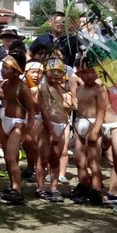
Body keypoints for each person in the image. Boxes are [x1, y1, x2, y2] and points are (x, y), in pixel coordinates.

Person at [0, 51, 33, 205]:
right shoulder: (4, 84)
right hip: (5, 121)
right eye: (2, 67)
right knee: (8, 159)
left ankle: (18, 191)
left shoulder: (23, 88)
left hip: (17, 124)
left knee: (11, 158)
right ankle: (12, 186)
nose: (2, 71)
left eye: (6, 68)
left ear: (16, 70)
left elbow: (31, 111)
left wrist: (27, 131)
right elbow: (4, 97)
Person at [37, 58, 75, 202]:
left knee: (55, 159)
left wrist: (71, 94)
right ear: (46, 73)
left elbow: (71, 106)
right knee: (43, 158)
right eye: (52, 71)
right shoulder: (42, 88)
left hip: (61, 125)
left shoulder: (63, 89)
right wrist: (51, 130)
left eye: (59, 71)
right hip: (47, 126)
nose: (56, 74)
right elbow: (44, 110)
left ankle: (54, 188)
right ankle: (40, 188)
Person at [71, 57, 106, 205]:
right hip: (79, 123)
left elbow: (101, 111)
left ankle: (96, 191)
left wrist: (96, 130)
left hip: (92, 124)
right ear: (79, 73)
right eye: (85, 72)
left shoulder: (99, 90)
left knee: (93, 161)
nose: (89, 75)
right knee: (79, 161)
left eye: (92, 71)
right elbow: (76, 107)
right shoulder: (79, 89)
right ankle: (84, 186)